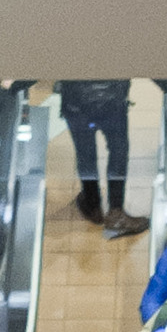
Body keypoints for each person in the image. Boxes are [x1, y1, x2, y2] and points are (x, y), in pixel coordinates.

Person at [55, 81, 142, 241]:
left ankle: (93, 206)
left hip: (76, 104)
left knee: (85, 154)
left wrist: (17, 82)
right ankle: (116, 211)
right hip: (113, 101)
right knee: (118, 152)